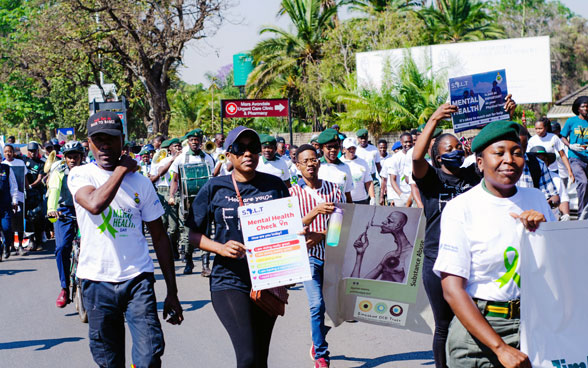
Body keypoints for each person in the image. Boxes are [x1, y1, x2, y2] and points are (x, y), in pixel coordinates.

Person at [434, 120, 554, 368]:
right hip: (480, 333)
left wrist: (547, 233)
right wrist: (500, 348)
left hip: (535, 325)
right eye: (499, 153)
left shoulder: (537, 199)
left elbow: (558, 268)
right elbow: (452, 289)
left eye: (517, 152)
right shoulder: (461, 208)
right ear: (479, 162)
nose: (509, 159)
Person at [68, 111, 183, 367]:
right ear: (88, 143)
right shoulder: (80, 175)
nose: (105, 146)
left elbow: (160, 238)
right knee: (109, 361)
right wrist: (121, 169)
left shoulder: (141, 182)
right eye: (98, 140)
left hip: (137, 281)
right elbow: (95, 204)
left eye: (111, 139)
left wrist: (172, 292)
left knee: (149, 356)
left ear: (122, 140)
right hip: (96, 282)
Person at [187, 126, 289, 368]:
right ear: (229, 155)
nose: (248, 154)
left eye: (252, 148)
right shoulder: (215, 187)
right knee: (247, 357)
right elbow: (193, 234)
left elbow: (288, 228)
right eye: (239, 149)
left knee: (260, 358)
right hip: (228, 280)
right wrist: (220, 248)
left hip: (267, 279)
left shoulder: (274, 186)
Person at [412, 103, 486, 368]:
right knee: (443, 324)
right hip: (437, 261)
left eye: (458, 146)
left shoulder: (474, 176)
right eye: (448, 149)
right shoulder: (431, 180)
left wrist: (504, 117)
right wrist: (433, 119)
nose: (455, 150)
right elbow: (417, 158)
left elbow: (494, 151)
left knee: (474, 319)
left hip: (473, 257)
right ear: (439, 157)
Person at [289, 144, 345, 368]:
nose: (311, 164)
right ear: (297, 166)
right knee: (316, 304)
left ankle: (317, 337)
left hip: (332, 255)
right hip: (307, 256)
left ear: (319, 162)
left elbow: (342, 223)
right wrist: (314, 213)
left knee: (334, 308)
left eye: (314, 160)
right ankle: (321, 354)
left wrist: (322, 234)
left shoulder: (334, 189)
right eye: (305, 161)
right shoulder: (293, 193)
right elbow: (290, 226)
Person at [169, 128, 215, 275]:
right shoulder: (181, 159)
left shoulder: (208, 158)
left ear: (201, 142)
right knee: (188, 233)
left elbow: (212, 179)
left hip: (204, 202)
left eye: (197, 140)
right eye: (192, 140)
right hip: (187, 203)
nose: (195, 142)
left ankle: (205, 265)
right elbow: (175, 180)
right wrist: (171, 195)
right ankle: (189, 262)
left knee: (206, 233)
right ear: (188, 142)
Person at [46, 141, 85, 308]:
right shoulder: (59, 171)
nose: (72, 160)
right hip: (64, 212)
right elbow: (54, 191)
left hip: (86, 210)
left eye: (75, 157)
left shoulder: (89, 171)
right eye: (69, 157)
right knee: (62, 247)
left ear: (81, 157)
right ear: (65, 158)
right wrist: (52, 210)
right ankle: (64, 287)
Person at [350, 211, 413, 282]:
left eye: (389, 221)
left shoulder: (410, 255)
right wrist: (359, 254)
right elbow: (355, 283)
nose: (383, 222)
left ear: (398, 226)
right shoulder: (390, 255)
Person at [150, 138, 181, 258]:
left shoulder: (183, 158)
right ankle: (165, 247)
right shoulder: (163, 159)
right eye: (175, 146)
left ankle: (174, 246)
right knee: (163, 222)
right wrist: (173, 160)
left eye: (179, 146)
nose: (178, 148)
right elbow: (160, 172)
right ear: (170, 148)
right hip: (163, 190)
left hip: (176, 190)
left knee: (174, 227)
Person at [516, 125, 559, 207]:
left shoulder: (538, 164)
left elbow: (553, 195)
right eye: (518, 146)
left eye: (524, 146)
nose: (522, 150)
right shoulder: (502, 166)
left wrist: (551, 201)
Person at [560, 96, 588, 218]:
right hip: (575, 158)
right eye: (583, 106)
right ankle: (581, 214)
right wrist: (570, 145)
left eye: (587, 106)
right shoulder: (571, 121)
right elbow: (563, 137)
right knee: (583, 182)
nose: (586, 108)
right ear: (578, 109)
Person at [527, 117, 574, 182]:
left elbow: (562, 155)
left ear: (546, 128)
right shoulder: (532, 140)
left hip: (553, 170)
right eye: (536, 129)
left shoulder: (553, 138)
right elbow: (528, 157)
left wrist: (569, 170)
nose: (538, 131)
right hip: (537, 170)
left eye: (540, 128)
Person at [2, 144, 28, 255]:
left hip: (19, 197)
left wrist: (28, 189)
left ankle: (21, 245)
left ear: (13, 152)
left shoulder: (20, 163)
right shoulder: (2, 165)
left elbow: (23, 180)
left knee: (19, 220)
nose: (8, 153)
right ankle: (11, 246)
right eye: (6, 151)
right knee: (9, 224)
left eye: (10, 151)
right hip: (7, 200)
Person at [316, 129, 353, 203]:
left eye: (336, 146)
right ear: (322, 147)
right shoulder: (317, 166)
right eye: (329, 147)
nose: (333, 150)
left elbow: (347, 194)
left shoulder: (345, 167)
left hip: (341, 211)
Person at [380, 133, 413, 207]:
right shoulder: (395, 158)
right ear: (401, 143)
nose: (408, 144)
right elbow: (392, 180)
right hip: (400, 197)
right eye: (405, 142)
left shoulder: (415, 155)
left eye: (410, 142)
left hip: (414, 195)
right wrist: (401, 195)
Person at [24, 141, 46, 251]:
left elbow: (39, 178)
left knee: (38, 217)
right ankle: (31, 242)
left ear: (38, 151)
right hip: (26, 194)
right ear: (28, 151)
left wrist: (30, 186)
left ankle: (39, 242)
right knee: (28, 218)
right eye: (31, 151)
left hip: (37, 193)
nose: (33, 153)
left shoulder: (41, 163)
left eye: (34, 151)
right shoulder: (24, 161)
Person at [340, 137, 374, 204]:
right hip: (345, 201)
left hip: (362, 200)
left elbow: (368, 182)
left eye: (353, 148)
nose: (352, 150)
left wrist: (372, 197)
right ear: (344, 150)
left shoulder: (363, 162)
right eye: (349, 148)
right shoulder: (340, 163)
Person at [0, 158, 19, 261]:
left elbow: (13, 185)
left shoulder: (6, 169)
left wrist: (15, 201)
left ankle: (7, 245)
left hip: (5, 205)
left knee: (6, 228)